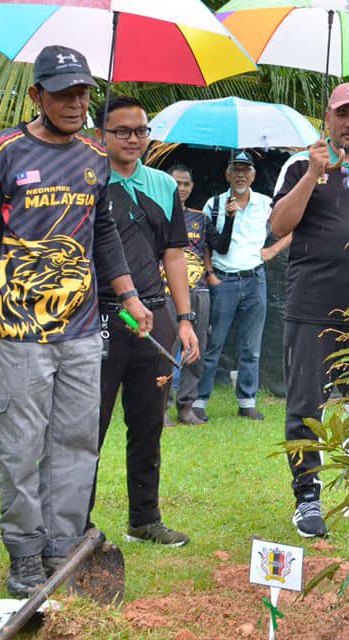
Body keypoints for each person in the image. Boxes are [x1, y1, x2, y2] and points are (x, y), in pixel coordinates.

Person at [0, 45, 153, 597]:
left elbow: (103, 233)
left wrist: (130, 296)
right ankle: (24, 553)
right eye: (63, 93)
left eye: (83, 93)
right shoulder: (5, 150)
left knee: (77, 442)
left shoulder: (94, 154)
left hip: (82, 330)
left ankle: (62, 548)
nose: (75, 103)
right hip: (19, 331)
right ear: (37, 95)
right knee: (21, 445)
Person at [270, 82, 349, 539]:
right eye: (342, 114)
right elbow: (279, 226)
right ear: (327, 117)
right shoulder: (300, 163)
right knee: (305, 405)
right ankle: (307, 497)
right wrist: (312, 173)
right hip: (311, 305)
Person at [87, 97, 199, 547]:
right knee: (87, 427)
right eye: (121, 131)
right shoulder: (87, 181)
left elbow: (174, 255)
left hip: (154, 318)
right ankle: (74, 525)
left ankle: (145, 519)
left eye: (141, 131)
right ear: (101, 135)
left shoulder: (162, 185)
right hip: (97, 316)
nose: (133, 139)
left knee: (149, 423)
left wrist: (184, 319)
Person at [192, 152, 288, 421]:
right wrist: (210, 272)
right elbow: (206, 242)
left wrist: (273, 250)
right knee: (214, 344)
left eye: (246, 170)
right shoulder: (214, 204)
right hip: (224, 280)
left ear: (253, 176)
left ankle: (247, 402)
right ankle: (199, 401)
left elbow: (292, 225)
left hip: (255, 280)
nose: (241, 175)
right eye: (236, 169)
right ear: (227, 174)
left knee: (251, 347)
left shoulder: (265, 204)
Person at [168, 164, 215, 426]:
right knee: (167, 348)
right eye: (177, 183)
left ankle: (186, 407)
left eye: (186, 184)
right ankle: (160, 406)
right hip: (166, 291)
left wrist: (230, 217)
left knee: (198, 348)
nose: (181, 188)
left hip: (199, 290)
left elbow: (215, 247)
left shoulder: (201, 219)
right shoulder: (158, 214)